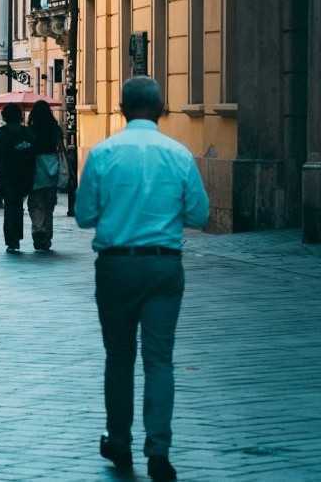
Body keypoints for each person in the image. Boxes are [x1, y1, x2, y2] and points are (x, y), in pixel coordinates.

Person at [75, 77, 209, 482]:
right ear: (161, 108)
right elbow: (200, 215)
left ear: (121, 108)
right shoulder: (179, 155)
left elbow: (84, 216)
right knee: (159, 359)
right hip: (164, 266)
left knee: (118, 357)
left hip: (116, 266)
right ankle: (159, 449)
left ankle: (119, 440)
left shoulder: (102, 154)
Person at [0, 104, 35, 254]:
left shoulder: (0, 134)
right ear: (20, 116)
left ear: (4, 117)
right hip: (25, 176)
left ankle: (12, 238)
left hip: (6, 176)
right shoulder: (27, 133)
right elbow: (33, 152)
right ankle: (16, 236)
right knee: (17, 206)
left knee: (10, 206)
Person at [27, 100, 63, 252]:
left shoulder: (31, 130)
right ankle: (47, 236)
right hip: (52, 169)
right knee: (49, 206)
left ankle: (38, 230)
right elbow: (60, 147)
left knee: (35, 204)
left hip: (36, 170)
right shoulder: (55, 129)